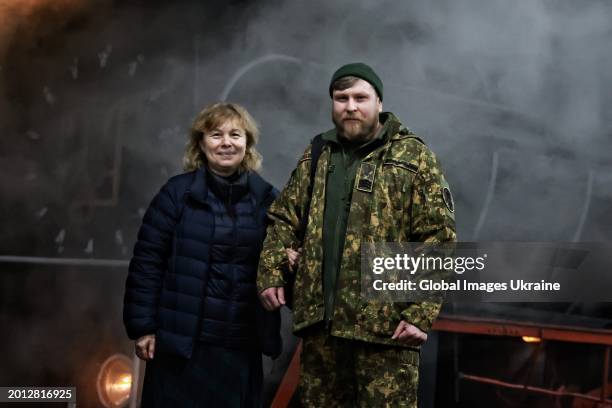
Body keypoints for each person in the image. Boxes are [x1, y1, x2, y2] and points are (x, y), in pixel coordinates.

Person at [257, 63, 456, 407]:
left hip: (385, 331)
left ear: (379, 103)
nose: (350, 106)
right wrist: (272, 269)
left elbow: (438, 238)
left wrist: (420, 313)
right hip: (323, 332)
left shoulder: (412, 156)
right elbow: (283, 219)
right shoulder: (317, 154)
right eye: (341, 97)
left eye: (360, 97)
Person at [123, 102, 282, 408]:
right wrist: (142, 327)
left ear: (247, 143)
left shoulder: (267, 200)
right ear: (200, 143)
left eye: (236, 134)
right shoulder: (176, 195)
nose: (226, 143)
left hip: (240, 347)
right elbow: (147, 263)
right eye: (215, 134)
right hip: (182, 347)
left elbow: (284, 259)